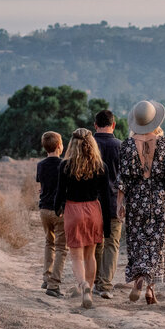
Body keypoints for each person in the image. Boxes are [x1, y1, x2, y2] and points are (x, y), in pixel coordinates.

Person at [116, 100, 165, 305]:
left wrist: (120, 204)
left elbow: (122, 180)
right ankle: (150, 290)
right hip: (160, 202)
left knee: (138, 244)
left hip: (136, 203)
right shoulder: (164, 144)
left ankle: (138, 281)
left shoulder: (127, 146)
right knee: (157, 247)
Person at [54, 128, 113, 309]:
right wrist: (107, 224)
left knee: (76, 256)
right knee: (90, 255)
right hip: (94, 210)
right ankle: (91, 286)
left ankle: (83, 286)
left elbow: (60, 193)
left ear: (72, 144)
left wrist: (58, 209)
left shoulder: (65, 166)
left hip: (73, 210)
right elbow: (106, 197)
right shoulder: (101, 167)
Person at [92, 109, 123, 299]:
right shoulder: (121, 146)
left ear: (95, 125)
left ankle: (94, 280)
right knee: (112, 244)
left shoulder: (88, 145)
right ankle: (105, 285)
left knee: (95, 242)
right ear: (114, 125)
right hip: (114, 202)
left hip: (91, 203)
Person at [36, 131, 67, 297]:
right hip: (59, 211)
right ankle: (54, 285)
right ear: (59, 146)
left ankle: (46, 277)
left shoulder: (40, 165)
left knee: (49, 243)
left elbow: (42, 186)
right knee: (62, 247)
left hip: (43, 209)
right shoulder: (64, 165)